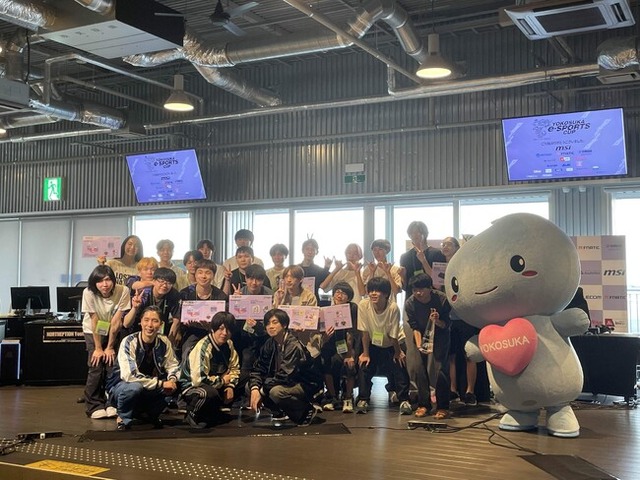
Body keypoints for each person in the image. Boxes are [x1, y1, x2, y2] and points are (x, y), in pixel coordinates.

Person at [107, 306, 180, 430]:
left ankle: (149, 414)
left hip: (150, 386)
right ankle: (124, 417)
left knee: (179, 384)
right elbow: (129, 376)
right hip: (122, 386)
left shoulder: (164, 341)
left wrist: (172, 380)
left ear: (161, 324)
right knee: (134, 387)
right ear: (140, 322)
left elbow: (173, 365)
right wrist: (161, 384)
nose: (149, 325)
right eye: (146, 320)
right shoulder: (129, 341)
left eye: (155, 321)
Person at [248, 309, 323, 426]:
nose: (271, 326)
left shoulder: (293, 344)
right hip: (283, 381)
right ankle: (279, 412)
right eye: (267, 323)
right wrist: (254, 388)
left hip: (305, 384)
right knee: (250, 387)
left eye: (275, 322)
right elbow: (259, 368)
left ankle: (306, 410)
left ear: (284, 325)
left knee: (276, 392)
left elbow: (285, 375)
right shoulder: (269, 343)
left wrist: (261, 391)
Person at [81, 265, 131, 419]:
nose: (105, 284)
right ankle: (93, 405)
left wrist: (109, 347)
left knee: (112, 365)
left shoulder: (123, 291)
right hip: (92, 330)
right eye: (100, 281)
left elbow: (116, 321)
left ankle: (111, 403)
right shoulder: (88, 292)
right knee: (96, 365)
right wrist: (98, 348)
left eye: (108, 280)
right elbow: (94, 320)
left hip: (112, 328)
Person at [356, 277, 411, 415]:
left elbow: (393, 335)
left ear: (386, 294)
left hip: (393, 343)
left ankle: (404, 400)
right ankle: (363, 399)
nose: (373, 293)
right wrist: (366, 353)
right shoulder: (363, 305)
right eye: (371, 290)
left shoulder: (393, 308)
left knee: (399, 365)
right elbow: (364, 332)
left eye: (377, 291)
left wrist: (398, 352)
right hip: (373, 343)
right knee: (365, 365)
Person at [404, 274, 452, 419]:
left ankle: (443, 406)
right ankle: (424, 404)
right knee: (419, 368)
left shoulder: (442, 299)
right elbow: (414, 327)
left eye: (421, 289)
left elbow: (447, 324)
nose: (418, 293)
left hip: (440, 335)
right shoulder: (410, 303)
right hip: (421, 335)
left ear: (430, 288)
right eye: (415, 290)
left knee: (440, 369)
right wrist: (420, 346)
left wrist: (437, 321)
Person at [182, 312, 240, 428]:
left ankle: (213, 413)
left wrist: (230, 386)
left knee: (243, 380)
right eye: (221, 329)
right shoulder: (203, 347)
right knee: (208, 393)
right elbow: (198, 380)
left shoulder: (229, 344)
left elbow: (235, 368)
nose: (224, 333)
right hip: (192, 386)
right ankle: (192, 414)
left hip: (217, 381)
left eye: (228, 330)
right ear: (213, 329)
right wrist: (222, 381)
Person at [442, 237, 478, 406]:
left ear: (458, 247)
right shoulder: (440, 267)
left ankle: (470, 391)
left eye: (449, 244)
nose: (445, 247)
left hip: (466, 317)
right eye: (443, 244)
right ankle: (452, 389)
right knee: (451, 356)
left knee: (470, 354)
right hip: (448, 318)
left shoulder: (465, 265)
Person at [319, 281, 360, 413]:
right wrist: (326, 336)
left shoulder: (352, 308)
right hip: (332, 344)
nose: (339, 295)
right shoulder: (326, 309)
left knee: (349, 364)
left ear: (349, 297)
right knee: (326, 361)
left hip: (349, 345)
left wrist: (349, 354)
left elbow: (351, 333)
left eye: (343, 293)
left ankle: (348, 397)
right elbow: (322, 336)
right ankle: (333, 396)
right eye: (337, 292)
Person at [179, 259, 229, 363]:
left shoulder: (220, 296)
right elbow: (179, 317)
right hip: (191, 332)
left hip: (214, 333)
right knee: (187, 351)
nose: (203, 276)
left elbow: (224, 321)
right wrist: (185, 324)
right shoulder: (185, 293)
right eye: (200, 272)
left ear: (213, 275)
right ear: (195, 274)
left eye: (208, 273)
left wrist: (211, 326)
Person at [124, 267, 182, 344]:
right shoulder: (143, 294)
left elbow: (176, 320)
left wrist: (168, 344)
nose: (165, 285)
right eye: (161, 281)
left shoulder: (174, 294)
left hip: (159, 330)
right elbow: (126, 324)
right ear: (154, 281)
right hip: (137, 329)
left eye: (169, 283)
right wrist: (135, 307)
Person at [400, 221, 446, 296]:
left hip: (433, 297)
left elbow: (438, 285)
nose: (414, 235)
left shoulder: (437, 253)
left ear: (425, 234)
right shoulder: (405, 257)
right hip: (412, 298)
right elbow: (405, 288)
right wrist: (403, 276)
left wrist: (423, 261)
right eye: (411, 233)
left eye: (418, 232)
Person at [299, 239, 331, 303]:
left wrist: (327, 267)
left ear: (316, 252)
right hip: (298, 301)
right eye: (307, 249)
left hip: (314, 301)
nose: (310, 252)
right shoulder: (296, 269)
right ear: (302, 251)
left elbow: (323, 286)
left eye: (312, 250)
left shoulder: (319, 270)